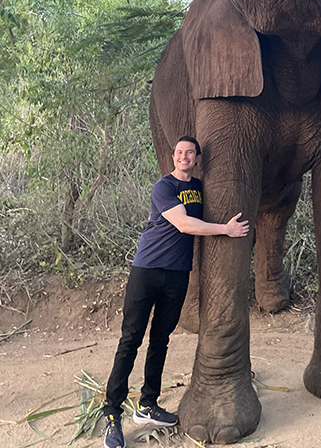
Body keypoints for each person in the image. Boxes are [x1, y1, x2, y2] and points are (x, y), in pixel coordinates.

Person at [102, 136, 249, 448]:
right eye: (180, 152)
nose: (184, 156)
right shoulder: (163, 187)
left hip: (177, 275)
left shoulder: (199, 186)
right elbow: (183, 225)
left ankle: (148, 405)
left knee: (161, 340)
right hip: (147, 271)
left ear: (196, 158)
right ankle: (113, 415)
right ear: (173, 157)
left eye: (190, 152)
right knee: (130, 340)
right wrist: (225, 229)